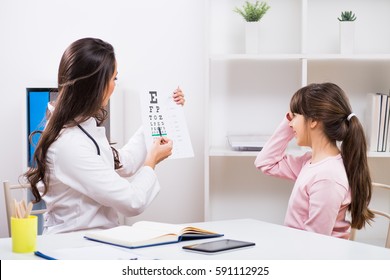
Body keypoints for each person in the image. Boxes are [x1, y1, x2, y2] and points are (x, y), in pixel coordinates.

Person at [24, 37, 185, 234]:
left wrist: (162, 114)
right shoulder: (69, 144)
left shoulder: (81, 124)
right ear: (95, 86)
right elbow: (132, 202)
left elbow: (121, 163)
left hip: (98, 240)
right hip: (75, 247)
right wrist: (151, 161)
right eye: (113, 78)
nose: (115, 86)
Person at [254, 82, 374, 239]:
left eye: (295, 116)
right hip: (300, 249)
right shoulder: (310, 163)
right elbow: (265, 162)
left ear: (313, 120)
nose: (290, 123)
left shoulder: (327, 177)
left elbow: (316, 242)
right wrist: (289, 121)